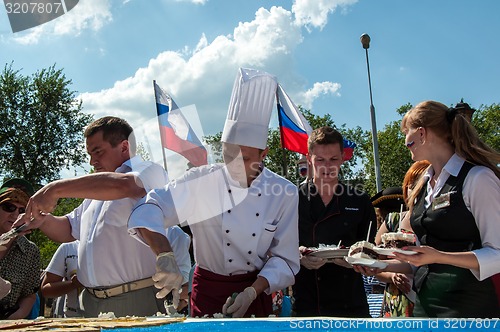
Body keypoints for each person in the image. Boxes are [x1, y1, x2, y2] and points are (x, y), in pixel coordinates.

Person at [128, 68, 300, 318]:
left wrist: (252, 292)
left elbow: (285, 259)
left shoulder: (284, 192)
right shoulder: (202, 180)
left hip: (254, 292)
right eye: (229, 155)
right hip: (207, 292)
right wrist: (164, 254)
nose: (234, 166)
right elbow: (151, 207)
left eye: (246, 158)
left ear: (264, 155)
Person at [17, 116, 191, 317]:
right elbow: (68, 230)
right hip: (90, 302)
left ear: (124, 147)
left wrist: (54, 189)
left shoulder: (149, 171)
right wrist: (42, 219)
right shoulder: (95, 193)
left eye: (98, 152)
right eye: (90, 154)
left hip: (136, 299)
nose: (92, 161)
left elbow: (126, 186)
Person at [358, 100, 500, 318]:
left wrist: (438, 256)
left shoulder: (478, 178)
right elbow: (422, 261)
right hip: (425, 306)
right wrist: (378, 266)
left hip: (469, 308)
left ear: (422, 134)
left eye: (407, 134)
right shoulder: (424, 184)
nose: (405, 142)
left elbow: (497, 254)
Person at [292, 126, 377, 317]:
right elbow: (277, 248)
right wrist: (298, 257)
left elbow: (372, 249)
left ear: (343, 157)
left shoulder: (359, 199)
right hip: (308, 304)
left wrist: (356, 259)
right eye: (320, 160)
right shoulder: (292, 199)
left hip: (351, 305)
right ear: (309, 158)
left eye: (333, 160)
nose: (327, 167)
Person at [373, 161, 430, 317]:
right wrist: (391, 276)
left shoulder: (436, 222)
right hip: (396, 304)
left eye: (421, 184)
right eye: (411, 185)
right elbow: (373, 263)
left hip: (430, 299)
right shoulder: (393, 221)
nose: (415, 189)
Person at [0, 179, 41, 319]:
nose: (15, 214)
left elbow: (29, 295)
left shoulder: (31, 251)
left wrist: (12, 321)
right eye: (8, 207)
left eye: (22, 211)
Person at [41, 240, 83, 317]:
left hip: (108, 318)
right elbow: (46, 290)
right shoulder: (68, 247)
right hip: (73, 319)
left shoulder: (111, 245)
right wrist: (73, 284)